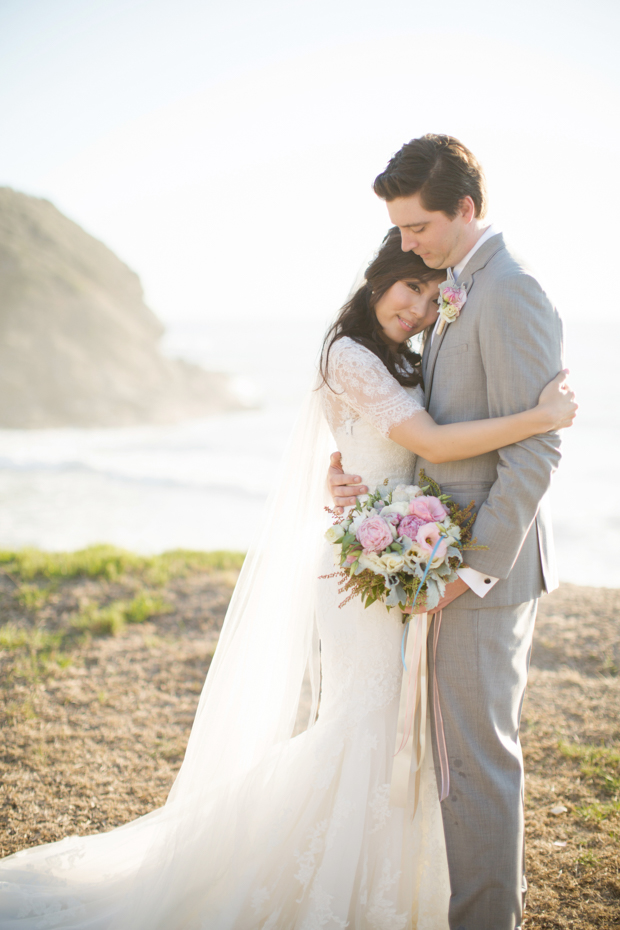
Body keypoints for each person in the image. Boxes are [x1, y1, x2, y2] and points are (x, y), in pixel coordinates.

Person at [0, 230, 575, 928]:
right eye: (409, 288)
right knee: (365, 719)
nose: (420, 308)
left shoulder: (401, 356)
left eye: (431, 296)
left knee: (398, 722)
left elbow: (395, 444)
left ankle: (397, 881)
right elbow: (428, 441)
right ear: (375, 281)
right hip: (362, 566)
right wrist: (540, 419)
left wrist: (350, 479)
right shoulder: (349, 354)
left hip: (390, 551)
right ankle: (336, 882)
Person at [329, 134, 566, 930]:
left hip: (480, 573)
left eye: (415, 228)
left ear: (465, 210)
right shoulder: (458, 288)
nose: (404, 245)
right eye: (398, 232)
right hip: (439, 559)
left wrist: (477, 570)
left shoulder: (509, 291)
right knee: (455, 762)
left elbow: (537, 447)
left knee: (479, 766)